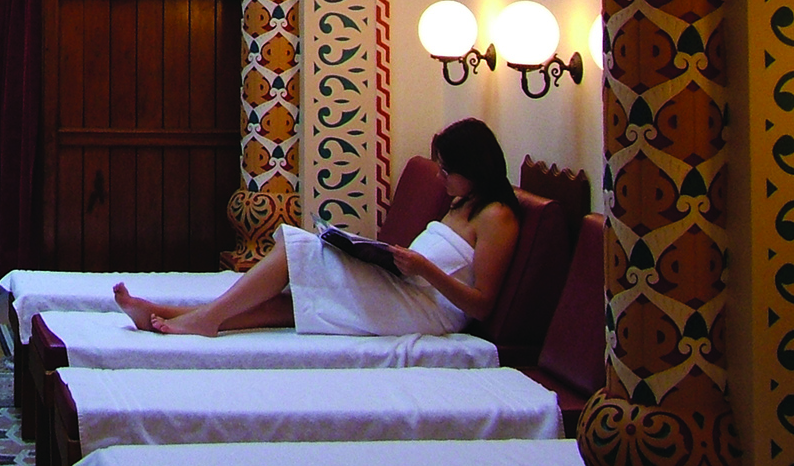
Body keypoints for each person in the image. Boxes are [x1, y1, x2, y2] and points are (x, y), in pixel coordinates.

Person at [115, 117, 520, 337]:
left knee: (299, 249)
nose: (441, 178)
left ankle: (200, 318)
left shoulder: (497, 217)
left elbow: (482, 304)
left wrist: (423, 268)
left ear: (475, 168)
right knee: (304, 299)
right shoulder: (462, 203)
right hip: (409, 288)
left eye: (448, 170)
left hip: (427, 311)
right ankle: (179, 316)